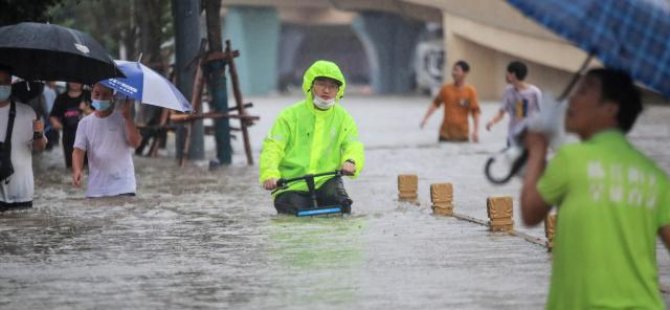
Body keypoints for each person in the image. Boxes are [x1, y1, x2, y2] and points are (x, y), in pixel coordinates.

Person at [520, 68, 670, 309]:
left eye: (584, 91)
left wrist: (537, 150)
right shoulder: (655, 177)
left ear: (611, 108)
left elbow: (530, 212)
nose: (572, 99)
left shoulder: (571, 159)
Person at [259, 60, 365, 215]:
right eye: (321, 84)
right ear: (310, 85)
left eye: (332, 86)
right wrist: (270, 174)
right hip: (292, 183)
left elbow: (353, 145)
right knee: (293, 214)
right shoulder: (289, 116)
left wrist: (351, 161)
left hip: (326, 181)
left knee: (343, 206)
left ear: (338, 91)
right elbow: (273, 147)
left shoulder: (344, 119)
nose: (326, 90)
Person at [72, 83, 142, 198]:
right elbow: (78, 151)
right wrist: (77, 170)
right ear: (91, 95)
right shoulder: (84, 123)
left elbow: (136, 143)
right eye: (97, 94)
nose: (100, 98)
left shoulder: (122, 119)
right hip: (96, 189)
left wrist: (128, 117)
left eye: (105, 95)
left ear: (112, 97)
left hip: (123, 187)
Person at [0, 65, 47, 211]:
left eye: (6, 82)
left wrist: (38, 132)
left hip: (22, 193)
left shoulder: (27, 113)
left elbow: (40, 147)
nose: (2, 86)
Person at [420, 60, 480, 142]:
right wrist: (425, 118)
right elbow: (435, 104)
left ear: (465, 73)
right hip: (445, 135)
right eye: (453, 70)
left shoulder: (470, 91)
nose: (453, 73)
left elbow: (475, 112)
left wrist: (476, 131)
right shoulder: (445, 89)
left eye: (457, 70)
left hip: (462, 135)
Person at [486, 61, 542, 145]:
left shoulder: (534, 92)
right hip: (512, 136)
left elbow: (542, 115)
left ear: (513, 75)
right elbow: (502, 111)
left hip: (529, 137)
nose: (506, 76)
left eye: (508, 73)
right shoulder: (508, 91)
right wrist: (492, 121)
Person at [49, 82, 90, 168]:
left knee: (88, 166)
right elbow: (53, 116)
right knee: (72, 166)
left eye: (77, 80)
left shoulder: (89, 95)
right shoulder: (61, 98)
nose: (75, 83)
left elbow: (99, 113)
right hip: (69, 138)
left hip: (88, 137)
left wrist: (86, 110)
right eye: (72, 80)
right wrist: (55, 123)